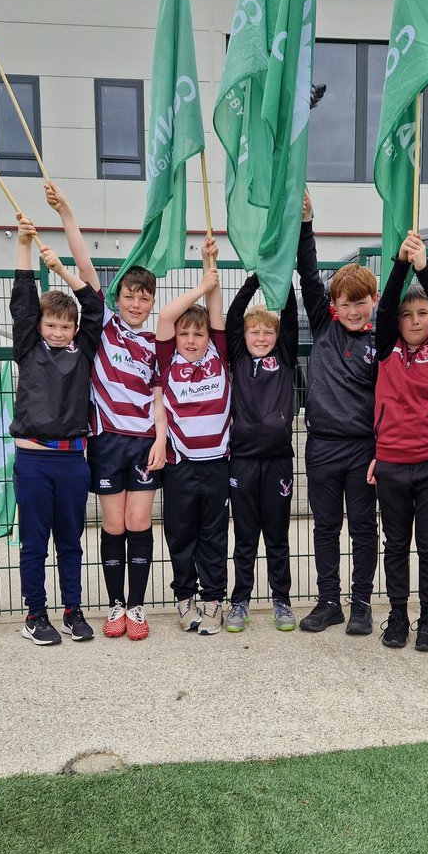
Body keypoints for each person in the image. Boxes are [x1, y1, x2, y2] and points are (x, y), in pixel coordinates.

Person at [45, 184, 166, 642]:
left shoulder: (157, 344)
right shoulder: (105, 327)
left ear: (152, 302)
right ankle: (114, 605)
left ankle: (136, 608)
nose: (136, 303)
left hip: (144, 441)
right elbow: (83, 264)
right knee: (113, 525)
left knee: (140, 523)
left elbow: (158, 396)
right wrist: (68, 213)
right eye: (130, 296)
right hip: (106, 440)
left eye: (144, 298)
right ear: (118, 298)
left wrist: (160, 438)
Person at [10, 215, 103, 645]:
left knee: (71, 542)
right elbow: (24, 301)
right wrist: (26, 244)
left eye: (66, 326)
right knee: (34, 543)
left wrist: (64, 270)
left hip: (72, 460)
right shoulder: (28, 348)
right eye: (52, 325)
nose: (60, 331)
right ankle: (35, 614)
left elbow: (95, 306)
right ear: (39, 326)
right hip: (32, 459)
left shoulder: (83, 349)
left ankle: (72, 609)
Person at [366, 231, 428, 652]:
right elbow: (384, 308)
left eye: (423, 313)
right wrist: (400, 265)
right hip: (392, 462)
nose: (417, 319)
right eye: (409, 314)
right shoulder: (386, 348)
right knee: (396, 543)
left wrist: (423, 267)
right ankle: (399, 615)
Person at [297, 193, 378, 635]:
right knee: (325, 527)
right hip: (322, 448)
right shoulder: (325, 325)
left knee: (364, 528)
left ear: (372, 299)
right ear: (333, 305)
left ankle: (361, 603)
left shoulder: (382, 339)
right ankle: (328, 601)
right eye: (343, 303)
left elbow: (389, 401)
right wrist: (306, 223)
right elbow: (309, 274)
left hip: (364, 450)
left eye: (359, 302)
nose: (351, 310)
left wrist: (381, 451)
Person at [224, 229, 299, 633]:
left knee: (277, 535)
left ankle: (281, 600)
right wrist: (254, 277)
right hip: (243, 459)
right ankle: (240, 602)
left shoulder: (284, 357)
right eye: (255, 332)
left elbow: (285, 318)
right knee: (246, 535)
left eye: (267, 332)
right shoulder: (236, 356)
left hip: (278, 462)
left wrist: (277, 278)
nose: (261, 337)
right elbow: (235, 316)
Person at [155, 241, 229, 635]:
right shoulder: (168, 360)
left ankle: (214, 599)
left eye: (197, 333)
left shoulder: (219, 354)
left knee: (213, 536)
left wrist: (209, 262)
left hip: (216, 465)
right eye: (184, 333)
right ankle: (184, 598)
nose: (190, 340)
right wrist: (201, 284)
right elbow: (166, 315)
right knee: (180, 536)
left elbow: (215, 311)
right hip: (180, 467)